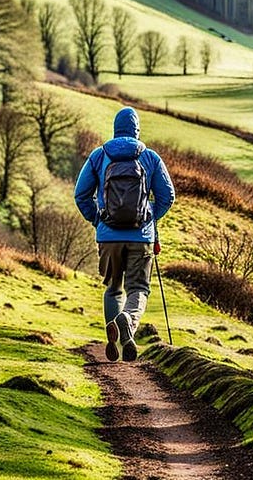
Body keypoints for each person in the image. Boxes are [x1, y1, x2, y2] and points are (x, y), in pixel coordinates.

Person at [74, 107, 175, 362]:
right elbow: (168, 196)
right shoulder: (150, 157)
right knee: (138, 288)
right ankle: (128, 321)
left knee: (112, 288)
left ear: (115, 129)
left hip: (108, 236)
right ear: (137, 130)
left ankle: (115, 341)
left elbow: (80, 195)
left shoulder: (99, 156)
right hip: (140, 237)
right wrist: (150, 215)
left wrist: (97, 219)